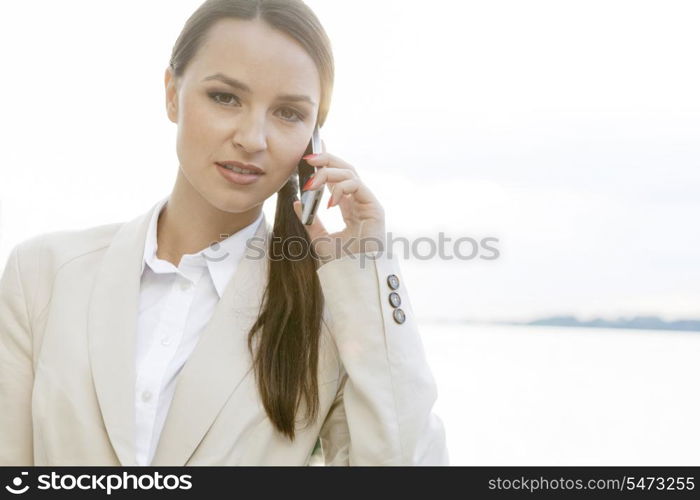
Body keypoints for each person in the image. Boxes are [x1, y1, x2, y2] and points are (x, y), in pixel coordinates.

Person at [0, 0, 448, 466]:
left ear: (315, 140)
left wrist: (367, 271)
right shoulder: (43, 275)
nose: (253, 138)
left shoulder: (332, 322)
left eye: (289, 113)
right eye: (225, 97)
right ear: (172, 93)